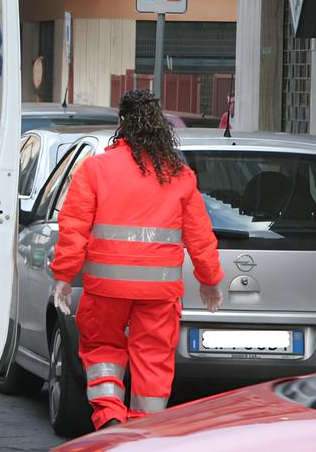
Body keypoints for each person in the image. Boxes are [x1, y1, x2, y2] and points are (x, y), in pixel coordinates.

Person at [50, 90, 223, 430]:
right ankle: (145, 429)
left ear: (122, 122)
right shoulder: (179, 175)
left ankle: (109, 416)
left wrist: (64, 277)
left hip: (106, 288)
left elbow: (74, 228)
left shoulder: (96, 169)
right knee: (154, 358)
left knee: (102, 349)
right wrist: (210, 281)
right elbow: (200, 236)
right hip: (159, 292)